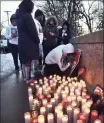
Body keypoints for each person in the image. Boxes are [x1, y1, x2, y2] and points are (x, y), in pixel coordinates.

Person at [16, 0, 40, 83]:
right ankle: (28, 78)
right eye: (32, 7)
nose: (33, 9)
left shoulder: (19, 16)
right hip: (28, 41)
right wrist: (37, 40)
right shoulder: (27, 16)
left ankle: (25, 77)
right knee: (28, 60)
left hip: (21, 40)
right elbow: (32, 30)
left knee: (24, 59)